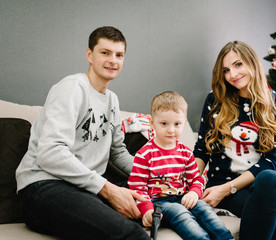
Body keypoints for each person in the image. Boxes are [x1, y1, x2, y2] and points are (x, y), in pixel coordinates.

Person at [15, 26, 150, 240]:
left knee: (165, 204)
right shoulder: (71, 88)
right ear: (89, 55)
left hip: (86, 188)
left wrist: (155, 172)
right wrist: (108, 189)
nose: (113, 60)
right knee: (131, 235)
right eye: (105, 53)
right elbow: (50, 153)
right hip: (44, 187)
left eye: (119, 55)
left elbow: (118, 153)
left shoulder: (112, 100)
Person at [193, 41, 276, 240]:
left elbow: (270, 162)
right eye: (226, 70)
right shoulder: (215, 100)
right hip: (225, 187)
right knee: (274, 222)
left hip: (264, 187)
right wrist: (190, 184)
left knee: (269, 178)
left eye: (238, 65)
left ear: (252, 63)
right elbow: (202, 150)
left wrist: (225, 190)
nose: (232, 74)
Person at [128, 91, 234, 240]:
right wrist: (147, 210)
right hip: (159, 203)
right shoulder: (145, 154)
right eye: (164, 124)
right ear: (152, 124)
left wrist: (193, 193)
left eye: (177, 124)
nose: (171, 130)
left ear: (183, 123)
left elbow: (196, 179)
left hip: (182, 197)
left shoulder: (185, 153)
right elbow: (137, 187)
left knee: (203, 208)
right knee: (180, 212)